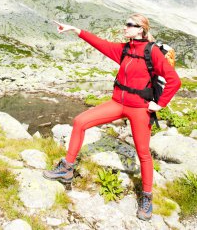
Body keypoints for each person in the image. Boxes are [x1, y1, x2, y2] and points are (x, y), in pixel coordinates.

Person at [43, 14, 181, 221]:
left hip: (140, 109)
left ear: (140, 29)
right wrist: (74, 29)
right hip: (117, 104)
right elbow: (100, 43)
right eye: (126, 24)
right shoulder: (125, 49)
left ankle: (147, 197)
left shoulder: (152, 52)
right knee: (80, 121)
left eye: (129, 25)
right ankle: (67, 169)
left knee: (143, 153)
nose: (125, 28)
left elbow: (174, 80)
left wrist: (159, 104)